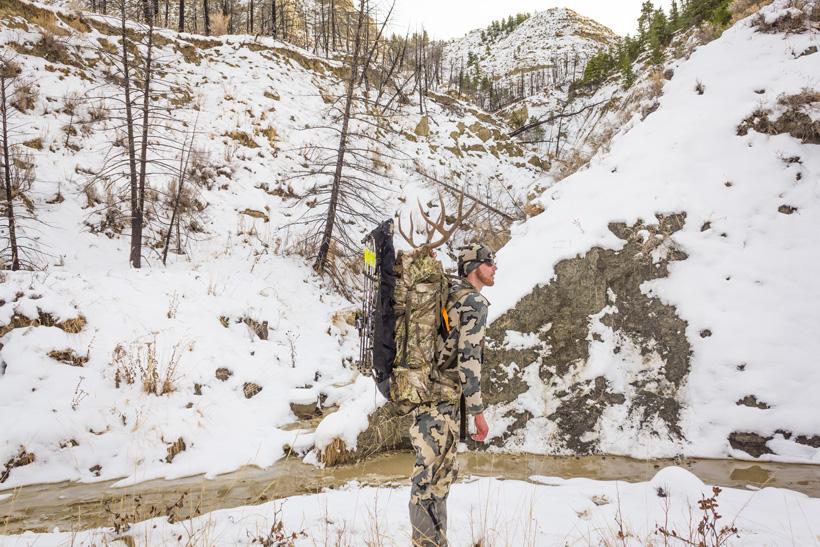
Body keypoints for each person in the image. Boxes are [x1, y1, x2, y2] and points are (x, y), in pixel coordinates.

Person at [409, 243, 496, 547]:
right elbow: (469, 362)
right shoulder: (474, 302)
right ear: (474, 267)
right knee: (430, 479)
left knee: (437, 478)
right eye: (489, 262)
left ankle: (435, 542)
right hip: (442, 401)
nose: (495, 267)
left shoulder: (446, 293)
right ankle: (425, 543)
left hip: (428, 396)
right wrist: (478, 413)